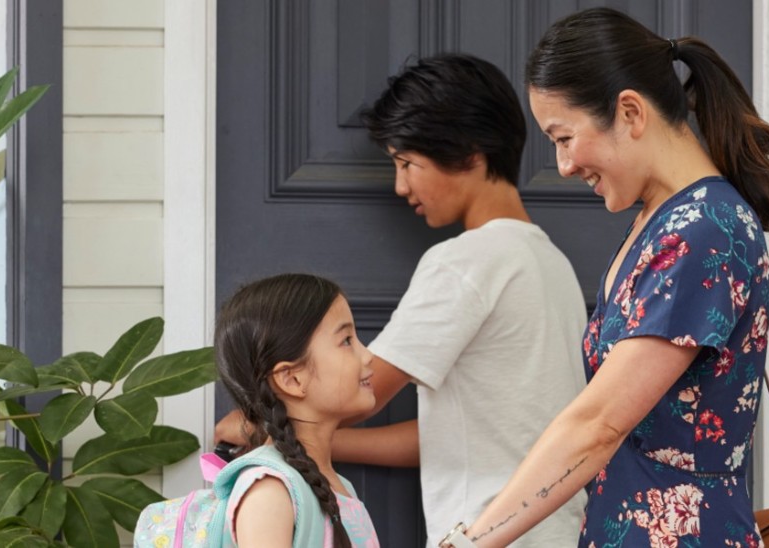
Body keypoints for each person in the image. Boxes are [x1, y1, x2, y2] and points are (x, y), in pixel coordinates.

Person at [436, 7, 769, 548]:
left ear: (629, 112)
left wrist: (469, 541)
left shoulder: (702, 232)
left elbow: (598, 424)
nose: (564, 165)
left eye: (564, 137)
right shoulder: (662, 219)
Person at [215, 53, 588, 547]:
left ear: (470, 153)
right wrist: (310, 444)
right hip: (555, 529)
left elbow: (363, 390)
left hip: (487, 532)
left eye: (407, 162)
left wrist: (257, 423)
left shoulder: (467, 260)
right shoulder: (550, 264)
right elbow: (460, 437)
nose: (400, 185)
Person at [214, 274, 381, 547]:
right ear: (292, 379)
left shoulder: (338, 487)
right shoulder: (270, 492)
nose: (368, 355)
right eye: (347, 340)